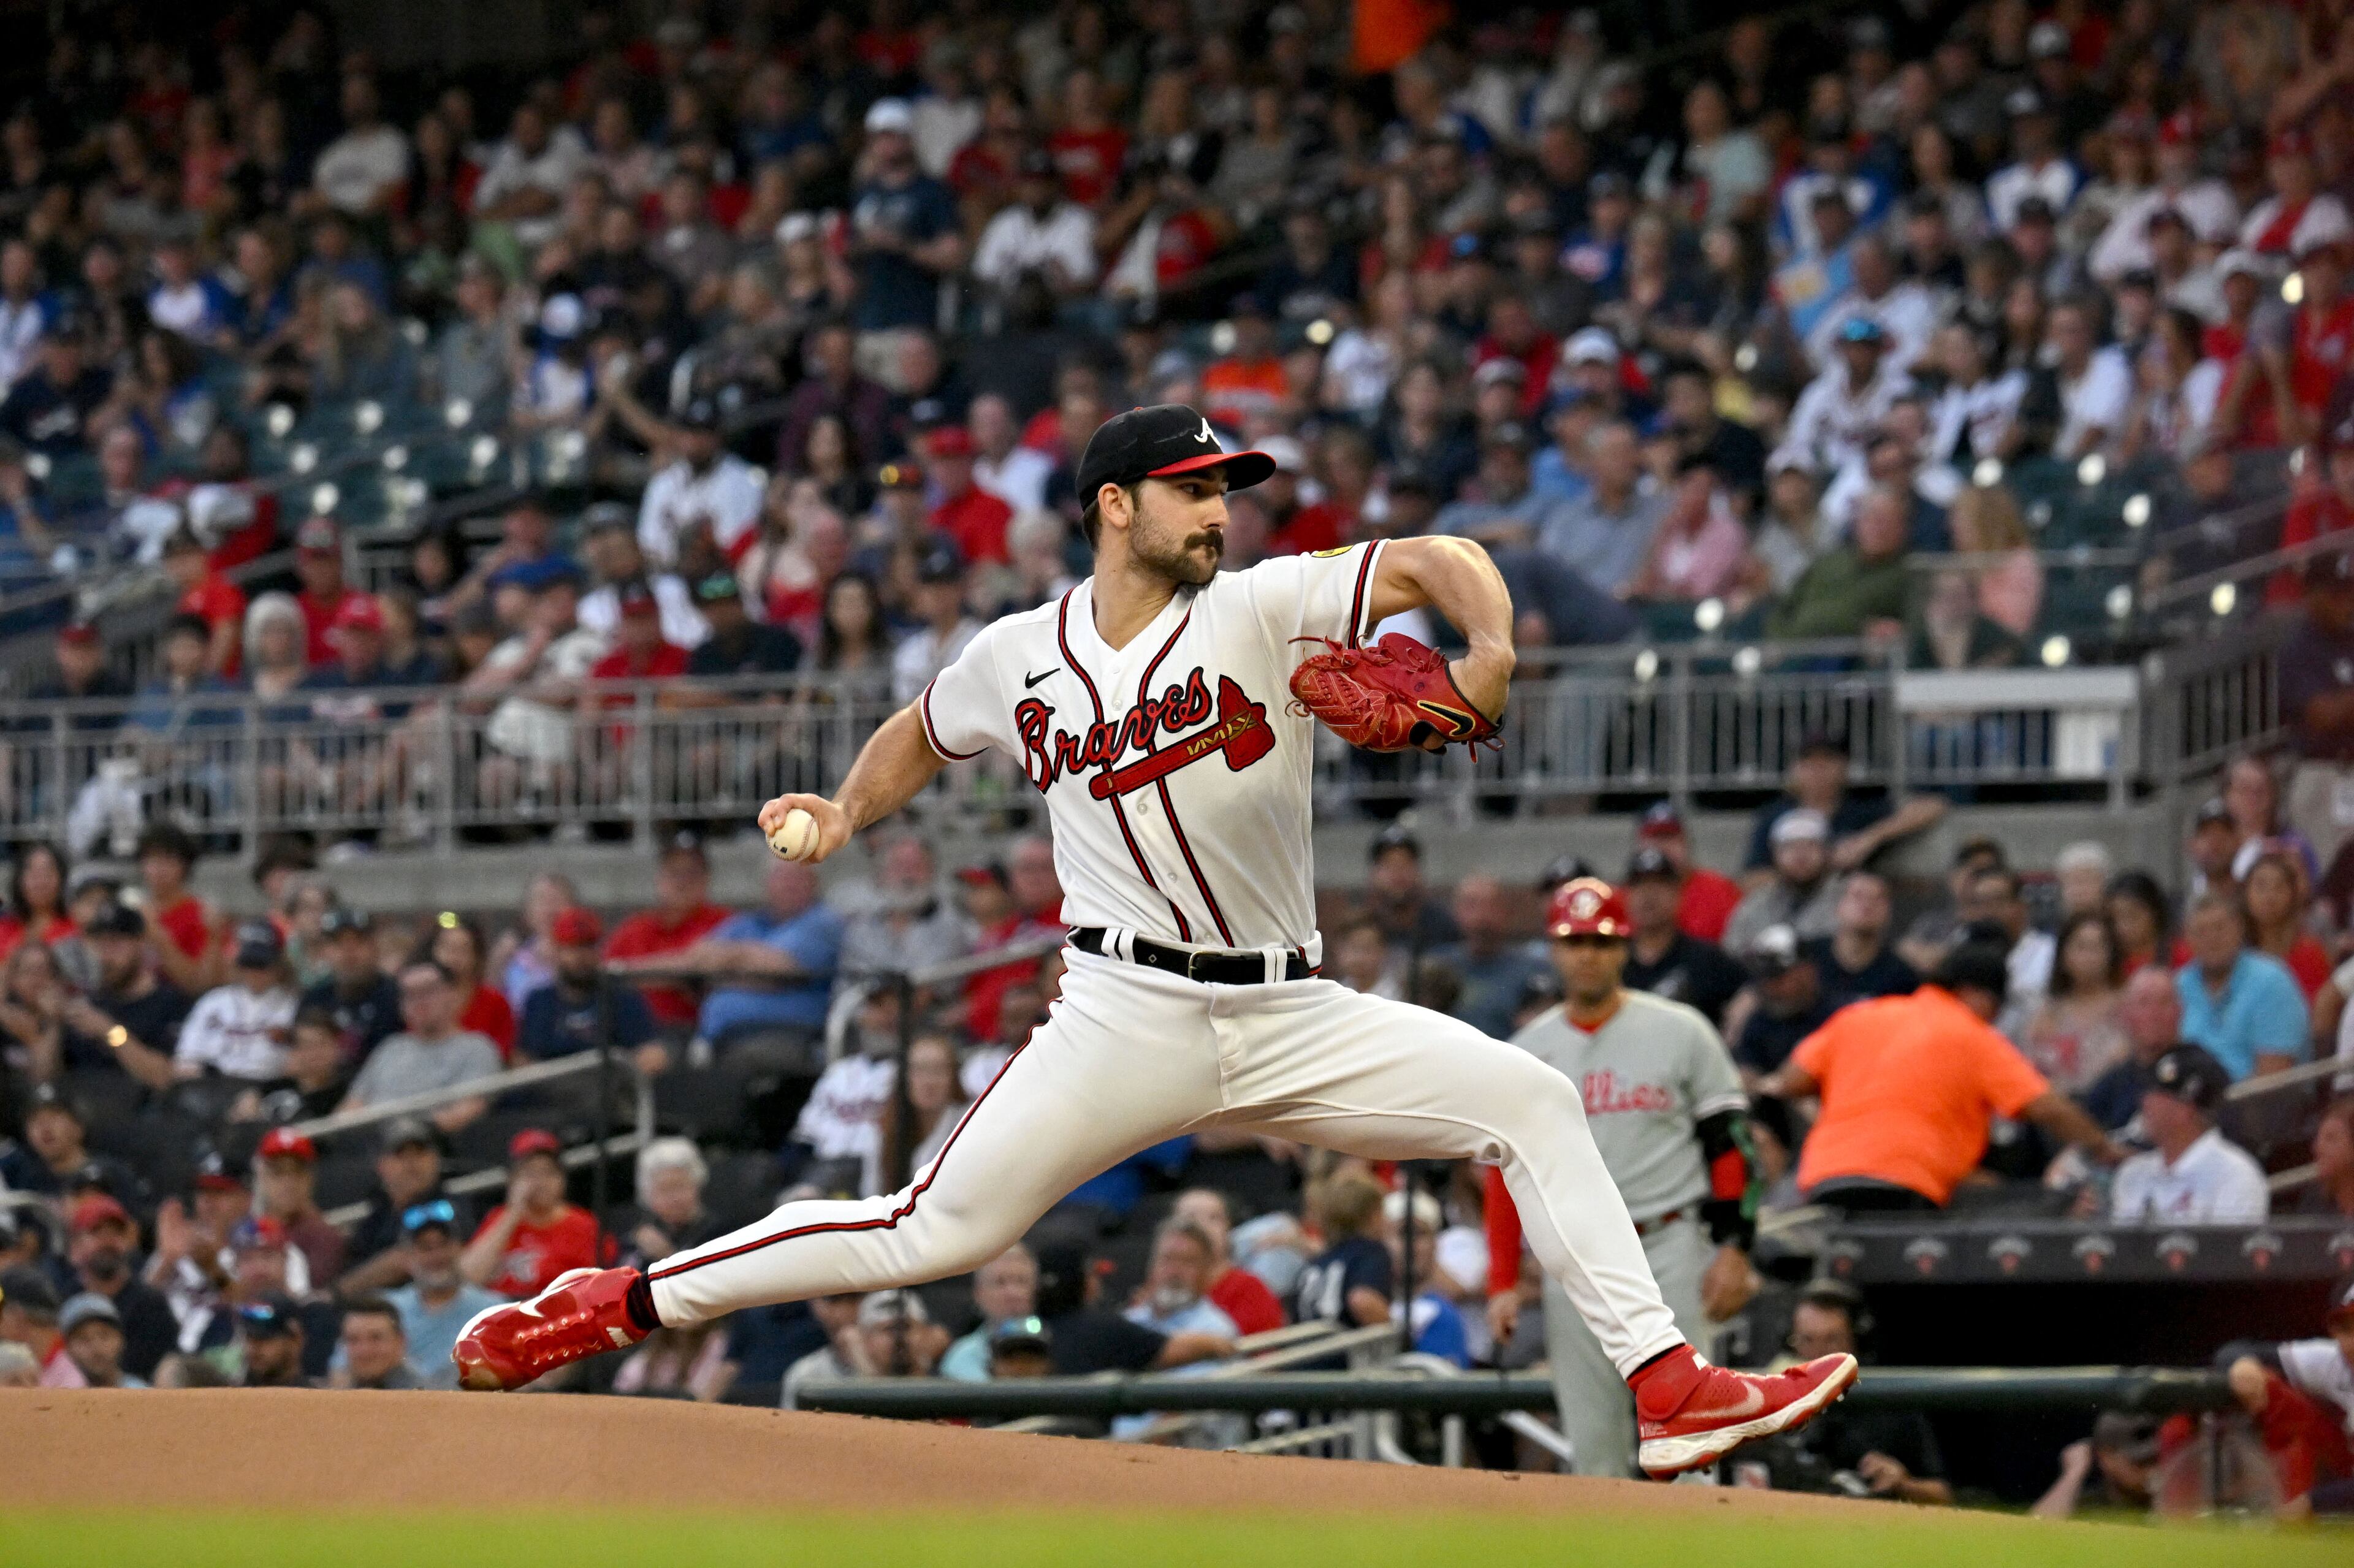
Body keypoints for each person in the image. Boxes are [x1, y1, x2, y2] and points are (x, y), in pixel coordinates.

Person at [454, 402, 1857, 1479]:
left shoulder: (1257, 605)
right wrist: (842, 801)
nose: (1219, 509)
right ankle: (617, 1298)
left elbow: (1444, 559)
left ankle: (1667, 1391)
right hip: (1122, 1015)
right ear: (1112, 506)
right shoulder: (1018, 654)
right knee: (927, 1231)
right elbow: (923, 730)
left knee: (1532, 1101)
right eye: (1193, 489)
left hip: (1289, 1007)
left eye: (1225, 489)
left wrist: (1483, 651)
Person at [1486, 878, 1761, 1479]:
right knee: (1595, 1446)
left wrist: (1735, 1247)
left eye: (1602, 940)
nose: (1588, 953)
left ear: (1625, 948)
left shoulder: (1682, 1029)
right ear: (1554, 950)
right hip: (1575, 1256)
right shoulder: (1529, 1048)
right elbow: (1504, 1168)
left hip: (1668, 1240)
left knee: (1694, 1438)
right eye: (1574, 939)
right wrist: (1502, 1276)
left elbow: (1731, 1146)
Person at [1757, 941, 2123, 1212]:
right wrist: (2102, 1146)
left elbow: (1787, 1081)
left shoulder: (1861, 1016)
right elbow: (2048, 1108)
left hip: (1827, 1179)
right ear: (1977, 995)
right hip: (1908, 1186)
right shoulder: (1971, 1034)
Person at [1764, 1281, 1952, 1505]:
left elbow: (1943, 1494)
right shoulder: (1771, 1406)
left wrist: (1903, 1484)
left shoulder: (1889, 1402)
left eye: (1832, 1340)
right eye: (1807, 1340)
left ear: (1857, 1341)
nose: (1819, 1355)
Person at [667, 861, 844, 1057]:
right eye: (781, 876)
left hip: (790, 1034)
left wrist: (723, 966)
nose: (789, 884)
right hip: (719, 1036)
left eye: (798, 877)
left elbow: (777, 972)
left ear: (815, 884)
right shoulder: (750, 922)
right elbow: (695, 959)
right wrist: (742, 962)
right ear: (767, 883)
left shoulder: (823, 922)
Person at [2108, 1045, 2269, 1225]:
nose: (2144, 1102)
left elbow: (2227, 1253)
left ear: (2185, 1109)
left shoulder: (2234, 1176)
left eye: (2156, 1095)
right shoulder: (2133, 1174)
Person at [340, 960, 503, 1132]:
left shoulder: (477, 1048)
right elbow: (350, 1108)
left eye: (428, 991)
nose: (418, 1002)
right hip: (370, 1146)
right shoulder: (390, 1048)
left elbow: (468, 1110)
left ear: (453, 995)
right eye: (409, 994)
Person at [2174, 891, 2309, 1082]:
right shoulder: (2178, 986)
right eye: (2201, 931)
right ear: (2187, 939)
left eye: (2220, 928)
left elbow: (2273, 1083)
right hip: (2188, 1102)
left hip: (2257, 1104)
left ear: (2239, 929)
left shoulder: (2271, 981)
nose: (2212, 938)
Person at [515, 907, 662, 1075]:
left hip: (609, 1090)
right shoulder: (539, 1001)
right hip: (551, 1091)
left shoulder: (623, 998)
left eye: (589, 946)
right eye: (572, 948)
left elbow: (651, 1053)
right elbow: (522, 1058)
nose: (581, 956)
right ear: (557, 951)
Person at [459, 1130, 603, 1300]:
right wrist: (513, 1213)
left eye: (548, 1172)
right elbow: (468, 1278)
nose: (540, 1182)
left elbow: (596, 1285)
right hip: (503, 1312)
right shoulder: (500, 1218)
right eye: (530, 1173)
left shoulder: (583, 1223)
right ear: (513, 1180)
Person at [1618, 846, 1746, 1027]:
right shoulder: (1612, 958)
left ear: (1679, 894)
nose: (1648, 894)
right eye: (1638, 885)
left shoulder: (1706, 959)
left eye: (1660, 885)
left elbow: (1751, 989)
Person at [382, 1200, 503, 1388]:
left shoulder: (492, 1310)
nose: (437, 1256)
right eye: (425, 1248)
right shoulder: (387, 1309)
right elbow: (343, 1371)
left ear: (461, 1249)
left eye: (443, 1245)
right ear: (407, 1257)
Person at [171, 921, 297, 1086]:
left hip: (264, 1085)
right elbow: (186, 1056)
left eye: (262, 966)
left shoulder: (292, 1005)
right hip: (212, 1084)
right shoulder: (214, 1001)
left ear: (277, 965)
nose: (254, 973)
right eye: (248, 965)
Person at [1430, 873, 1552, 1040]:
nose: (1482, 916)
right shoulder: (1436, 966)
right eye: (1472, 905)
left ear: (1507, 912)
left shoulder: (1534, 970)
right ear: (1456, 911)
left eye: (1492, 905)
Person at [2024, 914, 2131, 1095]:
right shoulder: (2045, 1013)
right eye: (2081, 947)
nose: (2090, 957)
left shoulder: (2128, 1007)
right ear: (2063, 955)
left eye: (2098, 947)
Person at [1729, 926, 1853, 1083]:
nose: (1770, 988)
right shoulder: (1760, 1021)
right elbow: (1748, 1068)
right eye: (1763, 978)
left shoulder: (1838, 1017)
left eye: (1778, 977)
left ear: (1806, 972)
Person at [2079, 969, 2190, 1132]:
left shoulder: (2200, 1071)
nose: (2155, 1014)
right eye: (2144, 1003)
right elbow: (2084, 1134)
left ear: (2180, 1011)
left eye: (2164, 1002)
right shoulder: (2113, 1081)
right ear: (2125, 1014)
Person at [1724, 810, 1842, 956]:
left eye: (1811, 845)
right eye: (1790, 847)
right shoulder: (1757, 903)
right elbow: (1732, 951)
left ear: (1827, 852)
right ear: (1775, 854)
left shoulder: (1849, 897)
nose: (1800, 856)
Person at [1170, 1187, 1286, 1336]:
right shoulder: (1160, 1290)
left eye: (1214, 1218)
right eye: (1191, 1218)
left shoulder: (1251, 1290)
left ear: (1228, 1229)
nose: (1203, 1227)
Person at [297, 907, 400, 1063]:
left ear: (374, 947)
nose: (349, 952)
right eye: (338, 943)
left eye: (358, 941)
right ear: (325, 951)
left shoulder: (396, 997)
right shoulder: (314, 1000)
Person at [1803, 872, 1918, 1001]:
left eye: (1878, 899)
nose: (1867, 905)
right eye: (1858, 896)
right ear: (1839, 905)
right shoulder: (1807, 959)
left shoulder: (1901, 975)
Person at [937, 1244, 1038, 1381]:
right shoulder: (963, 1357)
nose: (1013, 1293)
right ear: (979, 1294)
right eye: (1000, 1282)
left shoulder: (1063, 1347)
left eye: (1021, 1281)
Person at [332, 1295, 423, 1390]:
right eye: (353, 1339)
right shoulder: (338, 1394)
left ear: (400, 1342)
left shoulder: (425, 1396)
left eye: (376, 1338)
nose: (364, 1350)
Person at [56, 1292, 144, 1388]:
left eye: (104, 1336)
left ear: (121, 1339)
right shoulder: (60, 1396)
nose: (96, 1348)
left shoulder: (143, 1393)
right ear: (68, 1348)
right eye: (83, 1339)